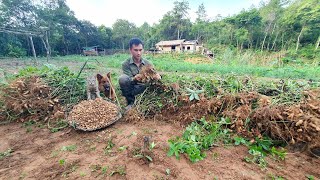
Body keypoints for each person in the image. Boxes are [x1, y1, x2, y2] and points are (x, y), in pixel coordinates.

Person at [118, 38, 152, 109]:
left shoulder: (147, 63)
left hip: (144, 87)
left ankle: (145, 101)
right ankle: (131, 102)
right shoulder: (125, 64)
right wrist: (134, 78)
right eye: (136, 50)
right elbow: (128, 80)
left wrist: (156, 76)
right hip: (132, 88)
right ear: (130, 50)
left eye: (140, 50)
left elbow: (153, 75)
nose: (138, 53)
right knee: (122, 79)